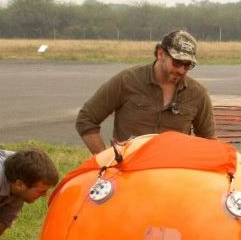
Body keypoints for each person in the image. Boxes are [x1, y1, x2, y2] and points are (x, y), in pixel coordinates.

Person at [75, 30, 216, 153]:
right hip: (129, 173)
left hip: (174, 175)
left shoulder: (198, 94)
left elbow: (209, 142)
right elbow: (86, 119)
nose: (181, 70)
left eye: (187, 65)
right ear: (161, 54)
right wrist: (105, 160)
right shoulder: (127, 80)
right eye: (177, 62)